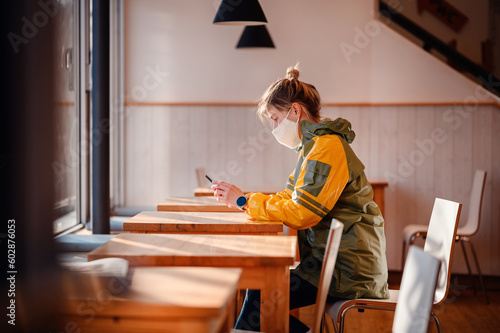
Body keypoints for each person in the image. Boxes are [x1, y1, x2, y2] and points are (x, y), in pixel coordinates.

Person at [211, 66, 389, 332]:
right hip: (331, 264)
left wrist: (245, 203)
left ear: (295, 111)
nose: (274, 127)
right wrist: (245, 199)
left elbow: (303, 212)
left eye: (275, 118)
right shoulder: (314, 147)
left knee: (260, 298)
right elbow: (290, 196)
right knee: (259, 294)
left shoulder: (326, 148)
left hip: (349, 271)